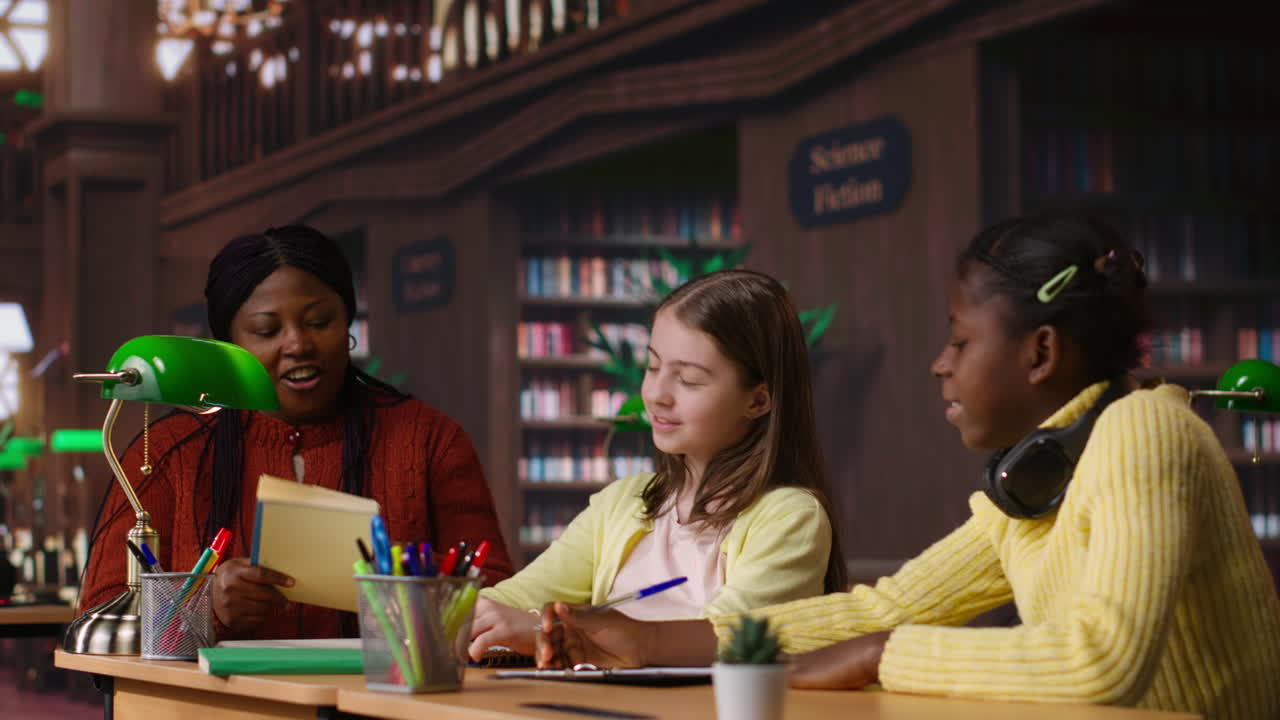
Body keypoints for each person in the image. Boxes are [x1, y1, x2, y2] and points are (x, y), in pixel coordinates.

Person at [535, 215, 1280, 719]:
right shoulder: (1042, 478)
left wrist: (878, 656)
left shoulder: (1143, 429)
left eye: (959, 341)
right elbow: (878, 607)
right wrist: (647, 642)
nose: (939, 365)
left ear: (1040, 352)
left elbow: (1101, 661)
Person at [79, 225, 514, 640]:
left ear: (347, 324)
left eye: (320, 321)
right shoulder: (173, 448)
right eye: (267, 331)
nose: (298, 344)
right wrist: (203, 603)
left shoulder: (428, 438)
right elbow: (99, 610)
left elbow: (501, 602)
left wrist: (408, 586)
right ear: (229, 346)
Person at [468, 269, 847, 661]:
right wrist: (467, 617)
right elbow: (513, 599)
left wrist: (543, 632)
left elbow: (730, 641)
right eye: (653, 367)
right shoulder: (623, 503)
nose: (656, 394)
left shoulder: (790, 516)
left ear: (758, 401)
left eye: (688, 379)